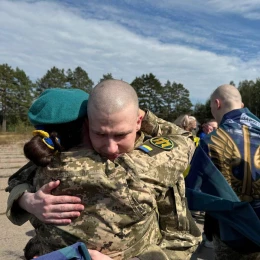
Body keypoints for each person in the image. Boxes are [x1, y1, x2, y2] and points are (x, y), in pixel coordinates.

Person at [6, 80, 201, 259]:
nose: (110, 148)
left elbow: (16, 180)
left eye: (120, 134)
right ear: (86, 124)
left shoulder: (43, 165)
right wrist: (142, 116)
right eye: (99, 133)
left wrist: (25, 200)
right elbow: (184, 138)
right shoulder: (140, 169)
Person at [186, 84, 260, 260]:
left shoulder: (211, 142)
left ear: (217, 104)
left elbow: (193, 191)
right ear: (241, 105)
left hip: (232, 234)